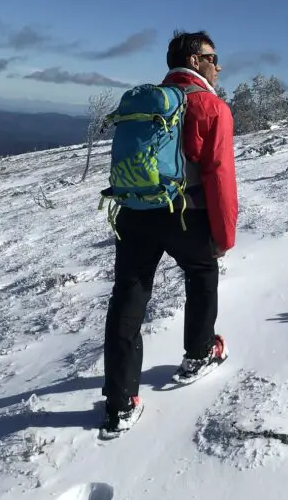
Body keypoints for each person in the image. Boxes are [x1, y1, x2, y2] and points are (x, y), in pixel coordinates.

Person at [101, 30, 238, 435]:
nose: (219, 66)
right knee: (201, 273)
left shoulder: (147, 103)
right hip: (183, 215)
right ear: (195, 61)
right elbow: (219, 176)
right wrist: (223, 237)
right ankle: (197, 354)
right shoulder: (211, 106)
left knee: (128, 295)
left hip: (133, 211)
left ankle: (121, 402)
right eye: (213, 57)